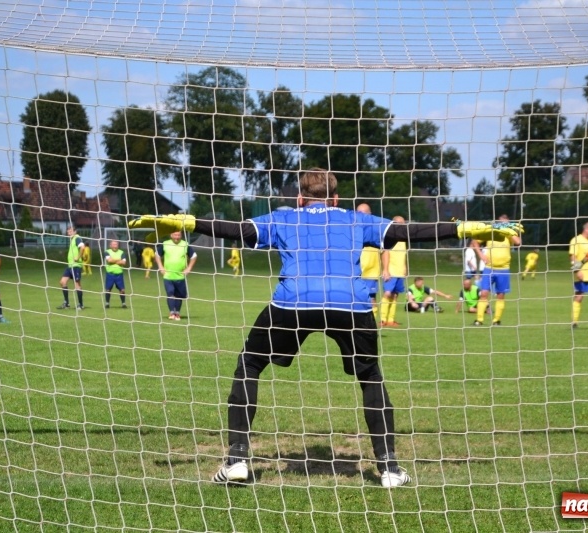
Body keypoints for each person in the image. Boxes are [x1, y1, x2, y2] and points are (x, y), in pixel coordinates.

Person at [127, 168, 522, 487]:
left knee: (249, 365)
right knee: (370, 377)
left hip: (293, 302)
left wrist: (189, 221)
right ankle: (388, 469)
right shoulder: (356, 219)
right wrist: (466, 229)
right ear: (335, 198)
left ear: (300, 197)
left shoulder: (283, 217)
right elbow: (406, 232)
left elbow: (237, 230)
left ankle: (236, 461)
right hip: (350, 305)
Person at [475, 214, 521, 326]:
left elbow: (518, 242)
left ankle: (496, 320)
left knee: (500, 295)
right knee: (484, 293)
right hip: (489, 268)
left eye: (505, 222)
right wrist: (481, 255)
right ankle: (479, 320)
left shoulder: (509, 233)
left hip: (503, 269)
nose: (503, 224)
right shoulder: (490, 232)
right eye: (501, 222)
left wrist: (510, 229)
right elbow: (475, 242)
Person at [155, 230, 197, 320]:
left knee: (179, 295)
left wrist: (189, 268)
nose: (177, 237)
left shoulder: (185, 244)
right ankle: (172, 313)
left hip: (180, 276)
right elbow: (157, 255)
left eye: (178, 235)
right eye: (175, 235)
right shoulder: (165, 244)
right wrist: (160, 266)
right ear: (171, 235)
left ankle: (177, 313)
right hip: (168, 275)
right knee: (170, 293)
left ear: (181, 235)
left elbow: (194, 256)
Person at [569, 222, 588, 329]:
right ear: (586, 229)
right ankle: (574, 322)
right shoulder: (576, 240)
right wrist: (577, 271)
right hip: (582, 274)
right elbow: (573, 257)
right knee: (579, 297)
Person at [380, 216, 407, 327]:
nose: (403, 225)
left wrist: (405, 267)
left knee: (395, 295)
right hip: (391, 271)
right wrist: (385, 270)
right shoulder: (389, 237)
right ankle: (382, 319)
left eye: (403, 223)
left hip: (400, 271)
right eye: (400, 223)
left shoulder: (403, 238)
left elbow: (403, 254)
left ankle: (390, 320)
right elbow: (384, 253)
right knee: (387, 294)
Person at [357, 203, 381, 319]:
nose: (360, 215)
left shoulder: (376, 230)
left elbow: (385, 250)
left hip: (371, 272)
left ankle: (372, 324)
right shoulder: (353, 229)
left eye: (363, 212)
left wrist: (386, 269)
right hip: (356, 272)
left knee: (371, 298)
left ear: (370, 214)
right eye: (358, 212)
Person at [57, 225, 86, 310]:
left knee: (77, 285)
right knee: (62, 282)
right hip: (70, 266)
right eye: (68, 231)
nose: (68, 232)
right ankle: (66, 303)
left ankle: (80, 304)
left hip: (76, 266)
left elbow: (82, 247)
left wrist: (77, 257)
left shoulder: (77, 238)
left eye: (70, 230)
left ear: (75, 231)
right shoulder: (72, 239)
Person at [103, 240, 128, 309]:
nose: (115, 246)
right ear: (110, 245)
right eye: (113, 244)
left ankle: (123, 303)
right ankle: (107, 303)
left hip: (119, 274)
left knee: (122, 289)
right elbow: (109, 260)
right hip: (110, 274)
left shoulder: (122, 252)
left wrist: (114, 260)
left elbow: (124, 263)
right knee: (108, 289)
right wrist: (119, 260)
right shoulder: (107, 252)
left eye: (116, 244)